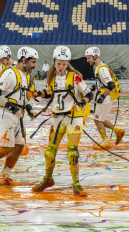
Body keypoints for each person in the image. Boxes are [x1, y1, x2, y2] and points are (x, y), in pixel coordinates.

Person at [33, 46, 94, 195]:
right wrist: (37, 93)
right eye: (59, 64)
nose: (61, 67)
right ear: (54, 62)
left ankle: (77, 185)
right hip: (58, 118)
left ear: (68, 64)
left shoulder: (75, 77)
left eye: (64, 64)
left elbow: (88, 94)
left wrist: (82, 103)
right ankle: (48, 179)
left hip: (74, 118)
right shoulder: (52, 78)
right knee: (49, 152)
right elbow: (49, 92)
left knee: (72, 152)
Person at [0, 46, 38, 186]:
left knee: (19, 146)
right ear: (24, 60)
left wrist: (28, 107)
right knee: (7, 146)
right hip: (5, 113)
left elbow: (21, 96)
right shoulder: (10, 73)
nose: (34, 65)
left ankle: (3, 177)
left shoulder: (27, 76)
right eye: (33, 62)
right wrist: (11, 106)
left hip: (18, 114)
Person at [85, 47, 125, 150]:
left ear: (95, 57)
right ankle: (117, 131)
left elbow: (110, 85)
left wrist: (102, 97)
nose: (87, 60)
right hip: (104, 96)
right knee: (100, 119)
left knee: (97, 120)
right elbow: (103, 83)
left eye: (89, 58)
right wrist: (95, 87)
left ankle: (105, 142)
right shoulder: (99, 68)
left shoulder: (102, 69)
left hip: (105, 97)